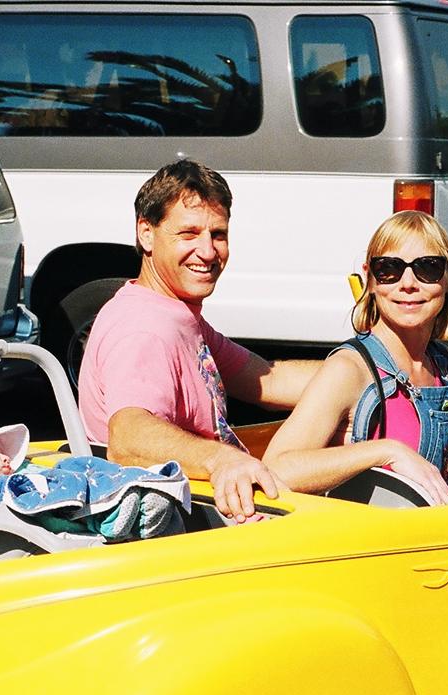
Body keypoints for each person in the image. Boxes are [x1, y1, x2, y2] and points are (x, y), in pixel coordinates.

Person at [76, 161, 317, 521]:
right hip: (186, 524)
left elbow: (269, 378)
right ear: (146, 233)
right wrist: (223, 459)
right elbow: (128, 436)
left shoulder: (176, 314)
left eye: (217, 235)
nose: (207, 252)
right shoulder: (143, 327)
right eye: (188, 234)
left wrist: (368, 372)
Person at [261, 211, 448, 505]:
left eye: (428, 268)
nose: (408, 283)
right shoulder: (350, 369)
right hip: (369, 544)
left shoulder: (445, 364)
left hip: (436, 540)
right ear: (370, 279)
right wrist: (387, 451)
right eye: (389, 269)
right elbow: (278, 467)